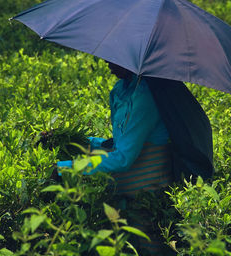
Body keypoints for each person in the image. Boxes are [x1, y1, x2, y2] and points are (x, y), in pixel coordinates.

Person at [57, 61, 174, 254]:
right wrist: (79, 141)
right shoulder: (124, 87)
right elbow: (121, 141)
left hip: (145, 186)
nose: (106, 61)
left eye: (114, 57)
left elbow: (123, 158)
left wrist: (65, 168)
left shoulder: (146, 94)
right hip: (131, 178)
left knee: (146, 246)